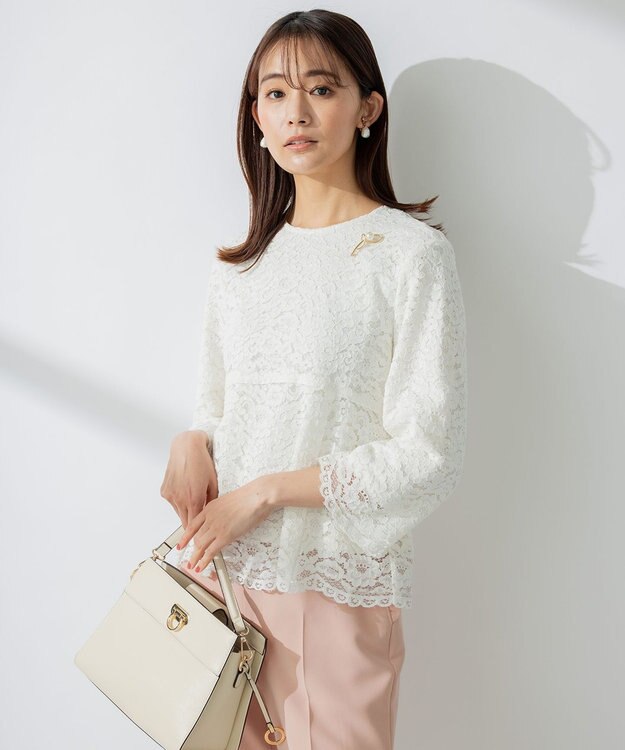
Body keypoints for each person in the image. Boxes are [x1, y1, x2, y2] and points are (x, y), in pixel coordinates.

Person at [161, 9, 468, 749]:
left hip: (333, 586)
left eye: (321, 89)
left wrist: (266, 492)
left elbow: (427, 453)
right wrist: (190, 440)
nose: (295, 112)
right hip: (221, 582)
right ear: (257, 118)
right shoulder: (240, 269)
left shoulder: (408, 256)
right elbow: (218, 408)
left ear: (367, 109)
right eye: (274, 93)